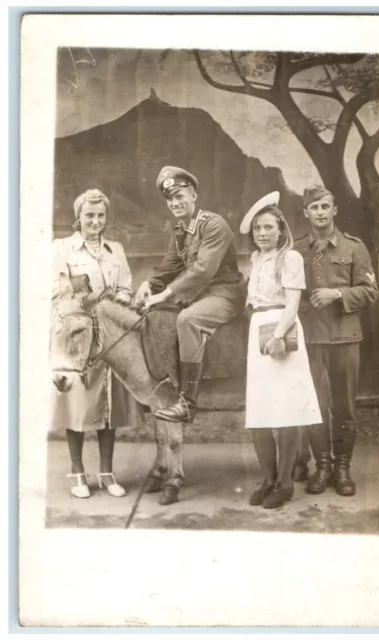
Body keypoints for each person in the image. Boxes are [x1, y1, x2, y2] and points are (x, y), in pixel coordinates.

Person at [135, 166, 246, 423]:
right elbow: (169, 266)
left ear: (193, 195)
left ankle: (188, 403)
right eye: (170, 199)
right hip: (201, 296)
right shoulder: (180, 232)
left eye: (180, 196)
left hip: (225, 294)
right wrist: (149, 284)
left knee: (188, 320)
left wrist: (165, 295)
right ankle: (162, 387)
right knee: (154, 315)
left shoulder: (213, 224)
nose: (175, 203)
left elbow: (203, 269)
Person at [294, 185, 379, 496]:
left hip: (345, 337)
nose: (320, 212)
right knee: (314, 405)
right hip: (312, 339)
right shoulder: (296, 250)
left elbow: (370, 292)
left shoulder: (354, 248)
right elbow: (288, 294)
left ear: (334, 210)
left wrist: (337, 294)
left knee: (343, 406)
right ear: (305, 213)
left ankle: (343, 468)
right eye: (314, 207)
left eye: (325, 206)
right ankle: (323, 466)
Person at [240, 192, 322, 509]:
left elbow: (292, 303)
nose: (263, 233)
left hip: (281, 331)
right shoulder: (256, 259)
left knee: (286, 409)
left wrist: (277, 336)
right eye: (258, 228)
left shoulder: (290, 257)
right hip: (257, 330)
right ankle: (269, 479)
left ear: (281, 229)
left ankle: (285, 483)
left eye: (269, 227)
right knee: (260, 409)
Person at [52, 188, 133, 498]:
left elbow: (125, 286)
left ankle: (106, 473)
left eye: (100, 215)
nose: (95, 221)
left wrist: (118, 302)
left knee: (107, 404)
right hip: (77, 333)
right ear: (79, 217)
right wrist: (89, 301)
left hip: (109, 335)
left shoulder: (116, 250)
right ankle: (77, 473)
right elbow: (59, 293)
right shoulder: (63, 249)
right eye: (89, 215)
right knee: (77, 404)